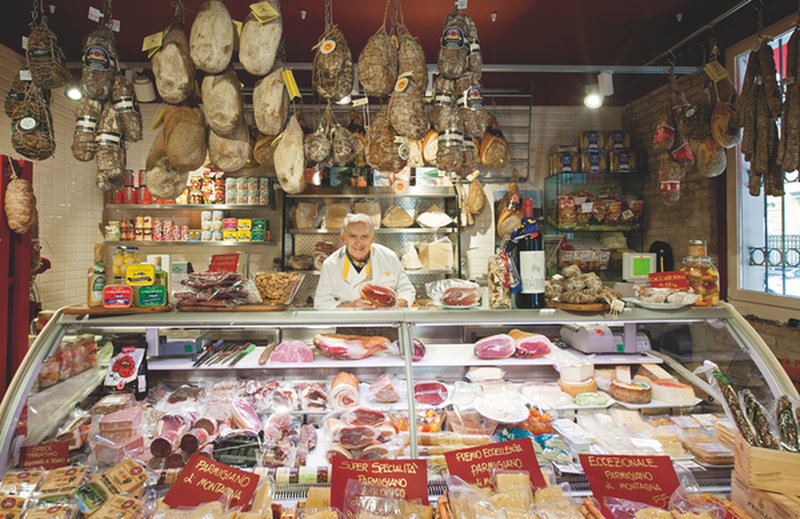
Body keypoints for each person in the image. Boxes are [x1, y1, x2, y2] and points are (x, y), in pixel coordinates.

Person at [314, 213, 415, 308]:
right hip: (348, 323)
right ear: (343, 238)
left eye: (364, 236)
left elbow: (407, 289)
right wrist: (350, 307)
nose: (359, 243)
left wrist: (398, 304)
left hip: (385, 322)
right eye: (353, 236)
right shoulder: (331, 264)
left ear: (372, 238)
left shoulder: (389, 257)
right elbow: (321, 303)